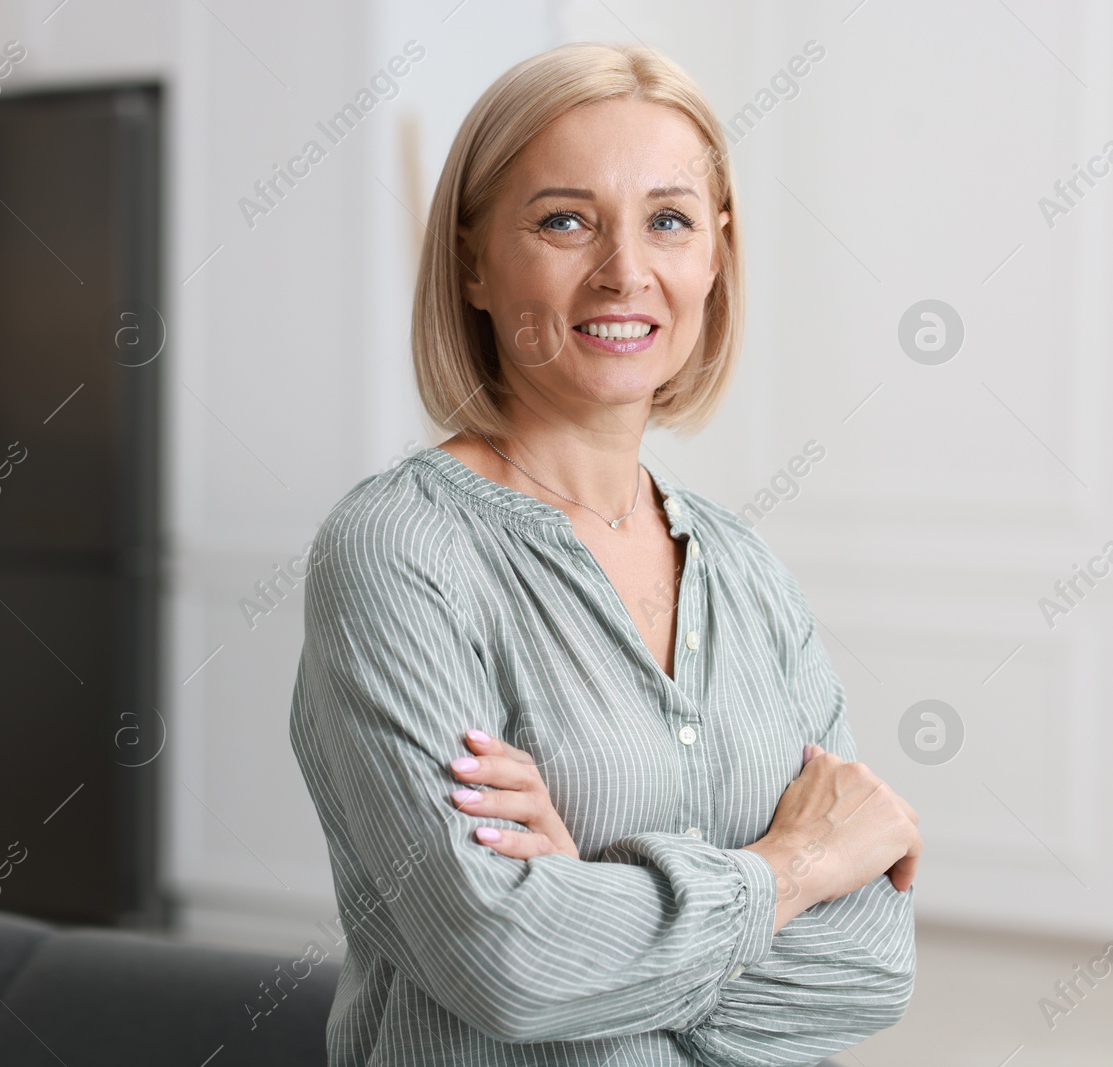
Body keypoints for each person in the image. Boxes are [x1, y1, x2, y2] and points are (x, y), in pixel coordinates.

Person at [288, 41, 921, 1066]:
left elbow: (870, 969)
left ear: (715, 254)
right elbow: (504, 960)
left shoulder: (747, 567)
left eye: (667, 219)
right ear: (472, 262)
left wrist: (586, 895)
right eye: (564, 219)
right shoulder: (397, 551)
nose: (625, 270)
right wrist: (794, 866)